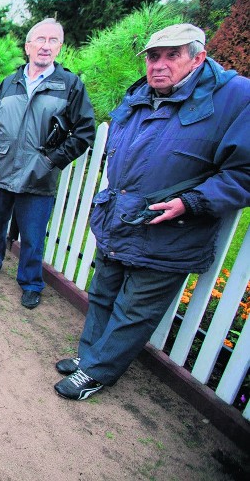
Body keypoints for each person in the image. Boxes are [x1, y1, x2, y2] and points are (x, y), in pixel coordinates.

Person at [54, 23, 250, 400]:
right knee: (102, 294)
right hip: (120, 219)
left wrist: (192, 202)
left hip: (170, 229)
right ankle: (88, 357)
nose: (159, 65)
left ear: (199, 57)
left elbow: (243, 172)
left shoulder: (234, 98)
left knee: (134, 310)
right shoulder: (141, 94)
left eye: (172, 55)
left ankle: (97, 372)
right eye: (154, 57)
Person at [0, 18, 95, 309]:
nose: (46, 46)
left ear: (59, 47)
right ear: (28, 46)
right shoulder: (9, 84)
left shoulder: (69, 86)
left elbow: (85, 131)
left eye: (53, 40)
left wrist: (51, 160)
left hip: (39, 177)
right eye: (40, 39)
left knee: (33, 236)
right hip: (2, 170)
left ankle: (30, 282)